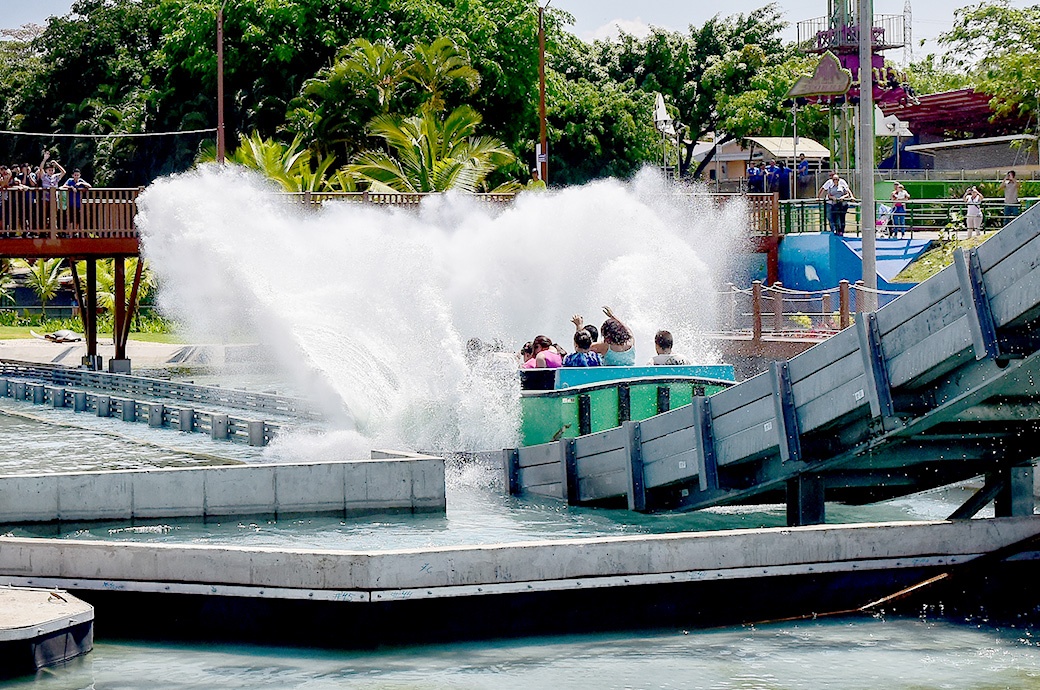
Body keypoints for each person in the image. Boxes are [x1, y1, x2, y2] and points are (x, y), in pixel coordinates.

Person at [819, 171, 853, 236]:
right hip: (834, 204)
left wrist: (849, 197)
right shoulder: (830, 185)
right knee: (833, 217)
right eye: (833, 179)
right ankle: (834, 230)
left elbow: (847, 191)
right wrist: (818, 197)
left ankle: (841, 231)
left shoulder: (842, 184)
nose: (835, 180)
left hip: (842, 204)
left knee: (842, 218)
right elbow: (824, 191)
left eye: (836, 179)